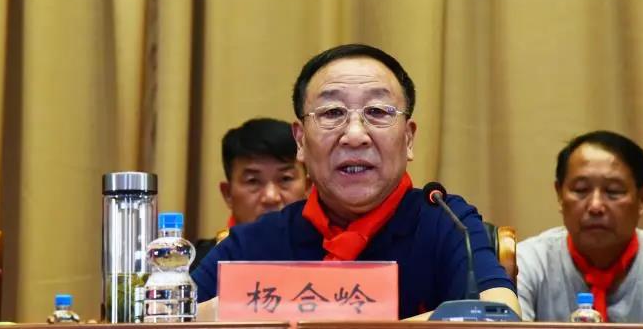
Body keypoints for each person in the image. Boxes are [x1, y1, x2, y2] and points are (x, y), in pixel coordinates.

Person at [192, 44, 519, 320]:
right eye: (332, 113)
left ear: (408, 139)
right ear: (301, 141)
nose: (355, 135)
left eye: (377, 111)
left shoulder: (447, 222)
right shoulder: (258, 241)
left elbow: (499, 314)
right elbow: (175, 318)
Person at [517, 130, 643, 324]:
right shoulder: (525, 263)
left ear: (642, 199)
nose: (596, 206)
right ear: (560, 195)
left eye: (613, 191)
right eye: (581, 189)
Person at [191, 118, 310, 271]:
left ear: (308, 188)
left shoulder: (329, 258)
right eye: (253, 181)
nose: (271, 197)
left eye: (285, 179)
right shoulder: (195, 268)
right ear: (228, 194)